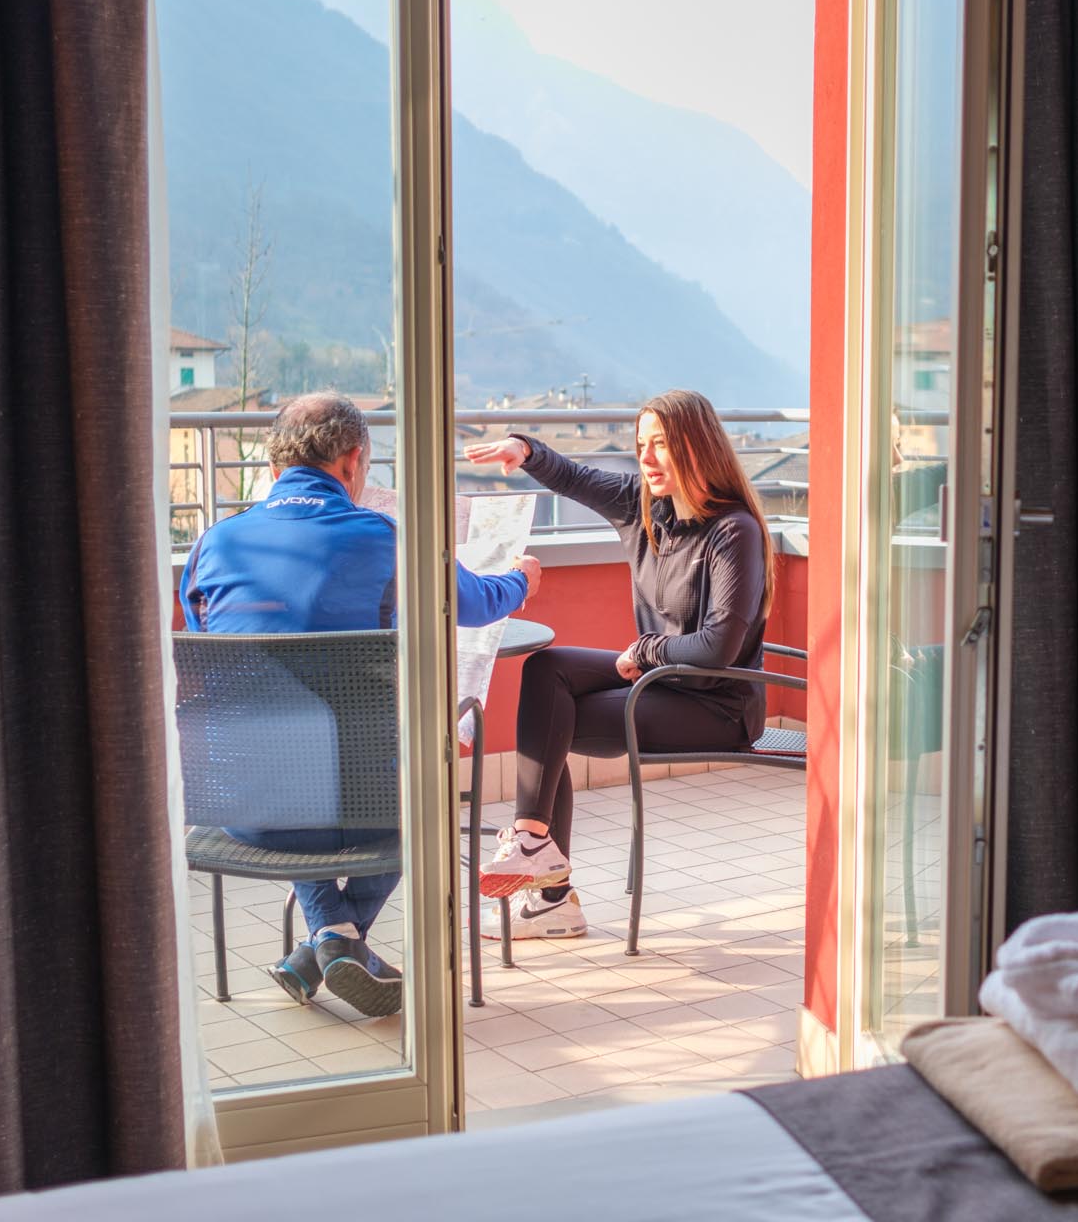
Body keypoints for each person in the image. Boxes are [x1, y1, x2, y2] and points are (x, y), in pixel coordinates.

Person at [181, 392, 541, 1016]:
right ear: (352, 462)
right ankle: (337, 940)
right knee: (422, 801)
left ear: (272, 469)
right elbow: (477, 602)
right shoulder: (380, 536)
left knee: (289, 761)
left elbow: (208, 657)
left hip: (244, 803)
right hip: (366, 806)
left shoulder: (213, 544)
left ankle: (322, 944)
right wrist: (523, 580)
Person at [463, 389, 774, 939]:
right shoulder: (643, 508)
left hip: (717, 704)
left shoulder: (734, 532)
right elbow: (576, 477)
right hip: (662, 681)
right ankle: (536, 847)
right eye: (640, 445)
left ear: (696, 447)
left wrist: (645, 651)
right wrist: (526, 450)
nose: (647, 458)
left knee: (553, 724)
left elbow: (718, 649)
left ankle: (551, 896)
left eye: (662, 445)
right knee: (547, 670)